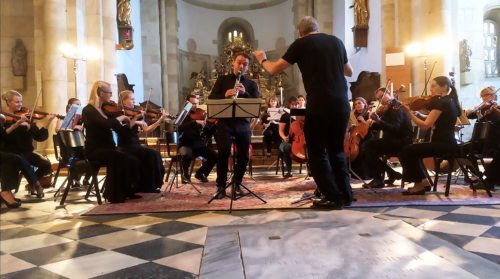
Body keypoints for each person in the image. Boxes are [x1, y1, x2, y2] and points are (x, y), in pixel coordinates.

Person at [254, 16, 354, 209]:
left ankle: (333, 197)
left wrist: (262, 59)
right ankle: (346, 195)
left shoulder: (301, 44)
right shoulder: (336, 41)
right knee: (337, 152)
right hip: (342, 104)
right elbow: (349, 71)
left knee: (316, 152)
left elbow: (274, 69)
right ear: (317, 28)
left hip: (320, 104)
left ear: (300, 32)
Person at [208, 52, 260, 199]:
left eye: (245, 64)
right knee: (223, 153)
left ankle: (237, 183)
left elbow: (257, 103)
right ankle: (221, 186)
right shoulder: (222, 80)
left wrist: (245, 94)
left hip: (243, 124)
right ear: (233, 63)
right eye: (239, 62)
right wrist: (225, 95)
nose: (241, 66)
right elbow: (211, 98)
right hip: (225, 123)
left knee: (244, 155)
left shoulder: (251, 84)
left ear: (248, 67)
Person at [399, 76, 461, 195]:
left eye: (434, 86)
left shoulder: (441, 103)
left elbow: (425, 126)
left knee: (406, 151)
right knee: (410, 150)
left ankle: (419, 185)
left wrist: (408, 113)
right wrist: (418, 114)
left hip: (443, 144)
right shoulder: (449, 101)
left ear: (444, 87)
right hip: (447, 143)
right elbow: (435, 119)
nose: (431, 89)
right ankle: (423, 182)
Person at [81, 81, 140, 203]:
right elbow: (105, 124)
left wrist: (132, 121)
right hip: (95, 150)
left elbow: (121, 130)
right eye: (110, 93)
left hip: (109, 148)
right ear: (100, 93)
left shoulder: (105, 110)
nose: (111, 96)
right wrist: (122, 117)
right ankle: (113, 194)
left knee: (132, 160)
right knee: (118, 157)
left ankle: (127, 190)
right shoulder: (88, 110)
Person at [1, 90, 55, 198]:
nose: (20, 104)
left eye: (21, 101)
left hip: (27, 152)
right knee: (22, 160)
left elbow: (40, 137)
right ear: (8, 103)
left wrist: (47, 123)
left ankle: (31, 184)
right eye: (17, 102)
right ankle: (37, 185)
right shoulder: (4, 119)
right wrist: (18, 124)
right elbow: (6, 138)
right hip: (12, 152)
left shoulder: (26, 117)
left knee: (46, 165)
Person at [116, 90, 168, 193]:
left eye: (134, 99)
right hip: (126, 146)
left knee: (155, 154)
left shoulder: (134, 113)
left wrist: (159, 121)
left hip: (136, 145)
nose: (134, 102)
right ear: (123, 100)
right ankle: (149, 186)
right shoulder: (119, 113)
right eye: (131, 99)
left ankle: (152, 185)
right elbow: (126, 126)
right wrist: (137, 118)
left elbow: (146, 129)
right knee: (152, 154)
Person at [362, 88, 413, 188]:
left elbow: (395, 128)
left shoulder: (396, 106)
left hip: (401, 141)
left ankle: (379, 178)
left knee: (367, 147)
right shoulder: (387, 108)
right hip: (392, 140)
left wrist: (379, 121)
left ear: (389, 94)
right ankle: (390, 173)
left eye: (381, 96)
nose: (380, 100)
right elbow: (384, 126)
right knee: (368, 147)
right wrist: (371, 125)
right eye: (378, 99)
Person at [177, 94, 217, 184]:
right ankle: (185, 175)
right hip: (185, 145)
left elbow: (207, 132)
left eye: (196, 104)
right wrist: (195, 122)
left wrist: (214, 125)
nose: (195, 106)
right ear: (187, 103)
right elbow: (179, 128)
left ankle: (201, 173)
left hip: (198, 146)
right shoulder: (183, 115)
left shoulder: (199, 115)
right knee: (187, 154)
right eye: (193, 104)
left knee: (215, 156)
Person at [278, 96, 299, 178]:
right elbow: (280, 131)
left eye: (296, 104)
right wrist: (284, 137)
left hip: (299, 140)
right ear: (289, 105)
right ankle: (289, 171)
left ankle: (311, 170)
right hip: (287, 141)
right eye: (292, 104)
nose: (294, 106)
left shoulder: (301, 116)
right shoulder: (285, 116)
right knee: (287, 147)